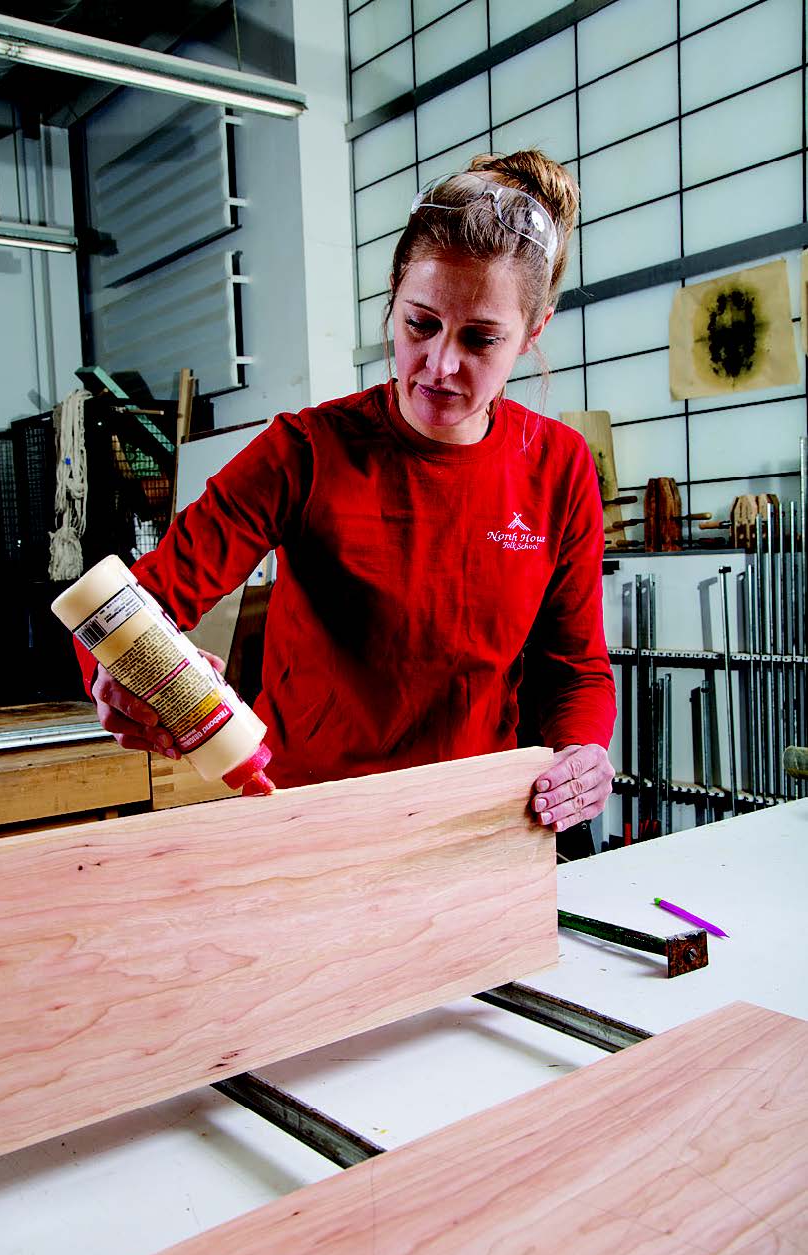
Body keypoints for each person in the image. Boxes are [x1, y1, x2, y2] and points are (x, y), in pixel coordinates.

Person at [80, 149, 616, 835]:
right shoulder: (305, 452)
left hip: (476, 822)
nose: (440, 365)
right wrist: (119, 676)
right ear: (394, 295)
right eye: (419, 323)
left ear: (532, 332)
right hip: (311, 816)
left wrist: (583, 751)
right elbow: (142, 601)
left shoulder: (558, 465)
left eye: (480, 339)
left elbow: (574, 668)